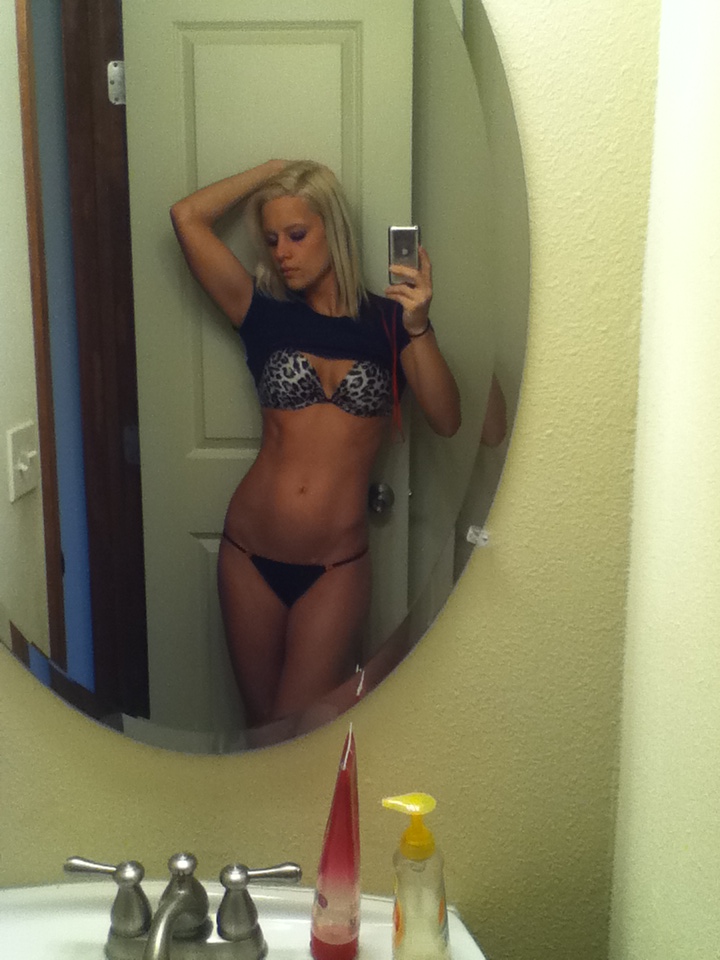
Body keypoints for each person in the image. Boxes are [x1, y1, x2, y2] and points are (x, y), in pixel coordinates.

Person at [170, 159, 460, 728]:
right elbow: (186, 218)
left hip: (335, 568)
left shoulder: (392, 322)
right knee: (262, 736)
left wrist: (419, 325)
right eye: (272, 239)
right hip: (248, 555)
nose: (282, 252)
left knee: (298, 734)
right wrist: (274, 171)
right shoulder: (260, 313)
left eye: (297, 234)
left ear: (334, 229)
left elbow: (447, 419)